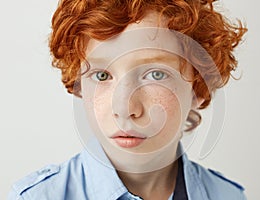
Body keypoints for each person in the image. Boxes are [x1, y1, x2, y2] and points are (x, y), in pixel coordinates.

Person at [8, 0, 247, 199]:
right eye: (102, 75)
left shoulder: (227, 195)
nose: (124, 108)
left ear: (199, 88)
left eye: (156, 74)